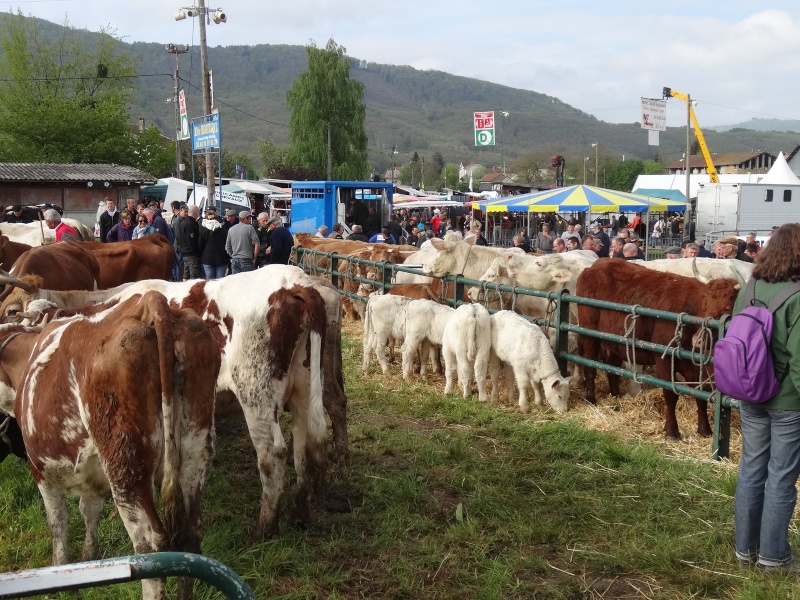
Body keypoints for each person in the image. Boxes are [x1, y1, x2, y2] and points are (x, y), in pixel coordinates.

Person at [734, 223, 800, 573]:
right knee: (781, 476)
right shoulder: (798, 296)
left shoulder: (751, 287)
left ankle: (745, 549)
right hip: (787, 400)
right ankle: (774, 558)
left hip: (750, 392)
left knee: (751, 469)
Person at [198, 206, 229, 279]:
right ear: (217, 218)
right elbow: (227, 244)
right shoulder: (223, 230)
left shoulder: (203, 231)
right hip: (221, 259)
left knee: (209, 282)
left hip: (207, 259)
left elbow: (200, 245)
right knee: (220, 281)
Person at [175, 203, 202, 279]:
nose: (198, 215)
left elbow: (178, 237)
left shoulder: (183, 222)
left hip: (184, 252)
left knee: (186, 274)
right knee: (194, 275)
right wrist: (197, 253)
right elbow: (192, 240)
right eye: (198, 213)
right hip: (191, 254)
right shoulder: (191, 224)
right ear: (196, 213)